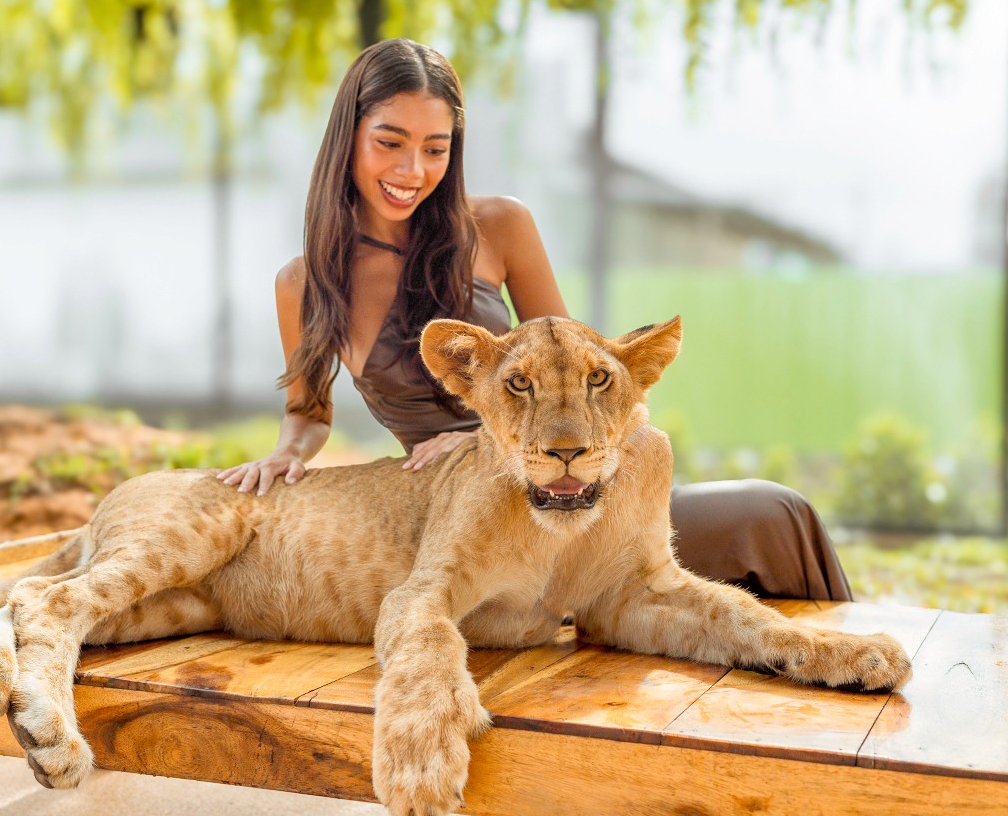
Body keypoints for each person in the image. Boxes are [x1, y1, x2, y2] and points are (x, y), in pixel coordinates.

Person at [218, 38, 851, 602]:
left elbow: (577, 375)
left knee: (775, 515)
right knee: (768, 518)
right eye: (390, 143)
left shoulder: (499, 227)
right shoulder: (302, 283)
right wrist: (285, 454)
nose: (412, 172)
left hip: (579, 487)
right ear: (348, 137)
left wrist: (483, 436)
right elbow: (308, 412)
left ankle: (846, 700)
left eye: (435, 149)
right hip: (464, 513)